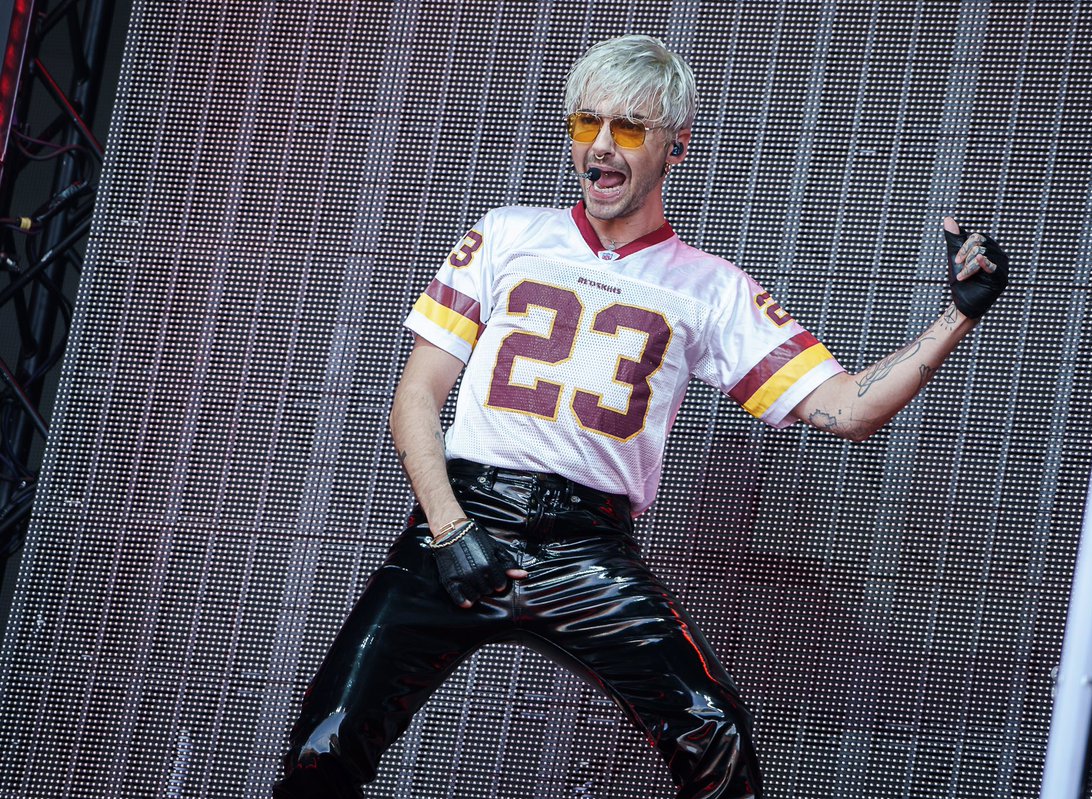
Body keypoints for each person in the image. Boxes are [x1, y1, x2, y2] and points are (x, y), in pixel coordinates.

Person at [272, 34, 1008, 799]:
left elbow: (847, 409)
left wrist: (957, 316)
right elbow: (416, 398)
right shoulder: (506, 234)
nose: (600, 145)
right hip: (460, 519)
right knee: (324, 745)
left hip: (585, 545)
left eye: (628, 128)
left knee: (718, 742)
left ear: (676, 146)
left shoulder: (712, 290)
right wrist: (452, 530)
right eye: (585, 123)